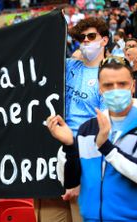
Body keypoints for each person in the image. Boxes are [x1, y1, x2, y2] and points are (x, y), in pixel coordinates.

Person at [35, 17, 108, 222]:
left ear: (104, 40)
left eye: (91, 36)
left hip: (84, 158)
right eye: (81, 37)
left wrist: (77, 169)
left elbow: (103, 128)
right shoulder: (68, 66)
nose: (85, 41)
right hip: (50, 154)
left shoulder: (108, 75)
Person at [47, 56, 137, 221]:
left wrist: (107, 149)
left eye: (122, 84)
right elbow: (69, 183)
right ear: (100, 89)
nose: (115, 90)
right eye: (108, 85)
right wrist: (69, 145)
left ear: (133, 86)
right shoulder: (87, 129)